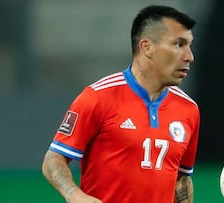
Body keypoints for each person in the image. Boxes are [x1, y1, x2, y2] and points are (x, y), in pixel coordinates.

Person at [42, 5, 200, 203]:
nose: (189, 56)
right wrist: (75, 195)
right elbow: (53, 160)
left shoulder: (189, 109)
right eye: (179, 44)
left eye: (190, 45)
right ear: (147, 47)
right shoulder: (98, 97)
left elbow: (182, 180)